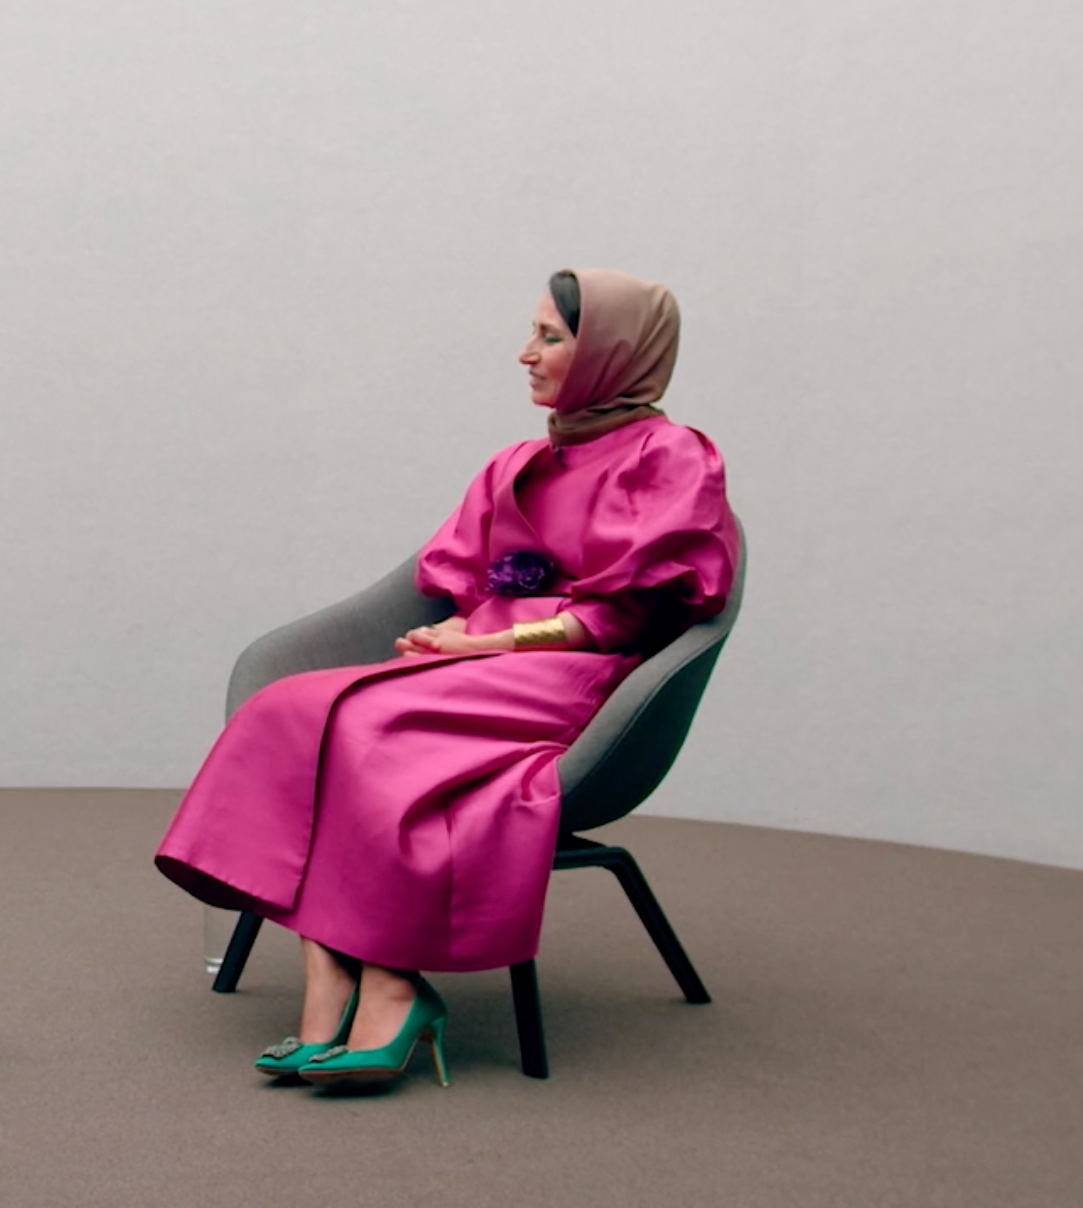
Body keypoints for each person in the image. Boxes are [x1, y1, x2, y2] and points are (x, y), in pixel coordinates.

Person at [155, 269, 739, 1092]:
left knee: (364, 730)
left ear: (613, 351)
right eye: (532, 332)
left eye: (552, 337)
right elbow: (460, 575)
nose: (524, 354)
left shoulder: (672, 455)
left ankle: (391, 986)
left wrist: (497, 645)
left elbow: (642, 611)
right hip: (482, 663)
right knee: (288, 707)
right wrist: (460, 630)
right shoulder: (517, 462)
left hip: (575, 677)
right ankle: (329, 980)